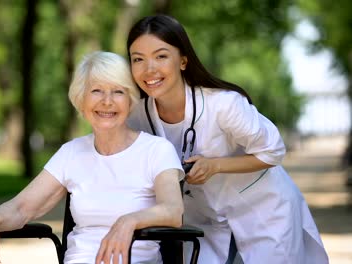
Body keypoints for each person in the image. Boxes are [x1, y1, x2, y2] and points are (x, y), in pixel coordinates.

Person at [126, 14, 329, 264]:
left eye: (161, 56)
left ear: (183, 61)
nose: (149, 69)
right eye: (138, 59)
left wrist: (215, 165)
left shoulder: (223, 104)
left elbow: (273, 151)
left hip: (263, 208)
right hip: (204, 218)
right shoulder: (136, 116)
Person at [0, 51, 185, 264]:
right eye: (97, 91)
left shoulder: (156, 150)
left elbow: (173, 210)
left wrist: (129, 220)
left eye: (118, 91)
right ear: (81, 99)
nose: (107, 101)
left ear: (130, 101)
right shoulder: (71, 153)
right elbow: (21, 207)